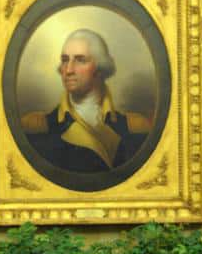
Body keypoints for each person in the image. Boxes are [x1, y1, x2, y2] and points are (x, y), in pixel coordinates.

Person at [21, 28, 152, 173]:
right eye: (65, 60)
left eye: (80, 60)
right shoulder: (35, 127)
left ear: (100, 68)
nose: (68, 70)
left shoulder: (135, 127)